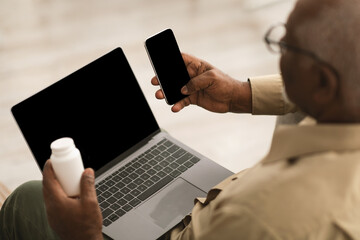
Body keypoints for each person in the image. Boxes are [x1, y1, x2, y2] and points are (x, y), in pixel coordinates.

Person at [1, 0, 360, 239]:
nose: (279, 51)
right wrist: (239, 93)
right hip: (225, 196)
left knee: (26, 199)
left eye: (285, 45)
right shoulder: (344, 106)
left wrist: (85, 235)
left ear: (323, 83)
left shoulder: (261, 214)